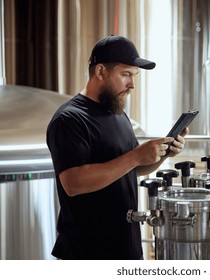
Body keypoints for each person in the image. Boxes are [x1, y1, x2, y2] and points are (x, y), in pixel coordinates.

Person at [46, 35, 188, 260]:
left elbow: (131, 168)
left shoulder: (117, 113)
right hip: (87, 254)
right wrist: (134, 156)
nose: (132, 84)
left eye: (134, 76)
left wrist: (162, 154)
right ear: (100, 71)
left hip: (126, 248)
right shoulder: (70, 119)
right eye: (126, 75)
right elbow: (73, 183)